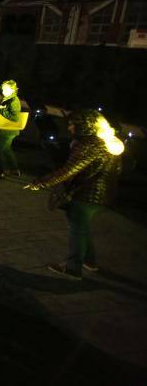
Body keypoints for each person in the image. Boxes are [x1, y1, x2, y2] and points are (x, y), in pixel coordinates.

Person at [24, 110, 123, 280]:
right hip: (102, 195)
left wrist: (40, 183)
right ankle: (89, 261)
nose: (69, 128)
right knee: (83, 227)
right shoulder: (108, 142)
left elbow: (68, 171)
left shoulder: (88, 144)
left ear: (86, 126)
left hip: (85, 194)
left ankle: (73, 268)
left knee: (77, 230)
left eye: (73, 124)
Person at [0, 79, 22, 179]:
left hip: (7, 130)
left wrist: (2, 110)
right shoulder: (9, 98)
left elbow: (15, 117)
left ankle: (0, 172)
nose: (3, 91)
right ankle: (15, 170)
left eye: (6, 89)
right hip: (8, 130)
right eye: (3, 89)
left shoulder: (13, 100)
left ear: (13, 90)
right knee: (7, 149)